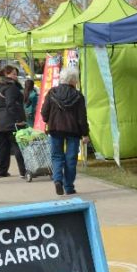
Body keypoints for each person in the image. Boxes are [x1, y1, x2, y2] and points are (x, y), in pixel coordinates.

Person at [40, 66, 89, 196]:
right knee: (70, 158)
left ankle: (57, 180)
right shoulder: (78, 96)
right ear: (73, 80)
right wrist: (85, 133)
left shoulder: (52, 93)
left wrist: (48, 120)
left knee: (57, 156)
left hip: (55, 129)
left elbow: (44, 112)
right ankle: (69, 187)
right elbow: (82, 118)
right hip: (73, 130)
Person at [0, 65, 27, 178]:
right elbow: (11, 105)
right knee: (18, 146)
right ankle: (24, 171)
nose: (16, 76)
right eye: (13, 74)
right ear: (6, 74)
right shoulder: (10, 87)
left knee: (2, 147)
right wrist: (18, 119)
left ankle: (1, 171)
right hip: (11, 121)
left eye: (16, 74)